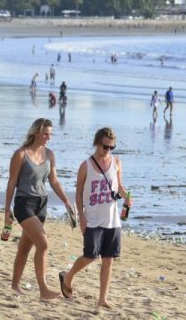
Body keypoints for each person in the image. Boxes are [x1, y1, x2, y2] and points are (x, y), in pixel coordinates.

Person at [60, 127, 132, 309]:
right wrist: (81, 217)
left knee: (109, 260)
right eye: (105, 147)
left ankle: (102, 299)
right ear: (97, 143)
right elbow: (78, 195)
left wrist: (127, 197)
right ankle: (68, 277)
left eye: (111, 147)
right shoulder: (86, 165)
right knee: (90, 256)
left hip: (112, 220)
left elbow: (120, 187)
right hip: (92, 219)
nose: (108, 150)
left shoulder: (116, 162)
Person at [4, 118, 73, 300]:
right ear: (35, 132)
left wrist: (66, 201)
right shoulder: (20, 154)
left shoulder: (49, 154)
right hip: (24, 204)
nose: (48, 138)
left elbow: (54, 181)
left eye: (50, 134)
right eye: (45, 134)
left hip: (41, 204)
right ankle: (43, 289)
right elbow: (11, 183)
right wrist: (6, 211)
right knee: (43, 243)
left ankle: (14, 285)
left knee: (25, 247)